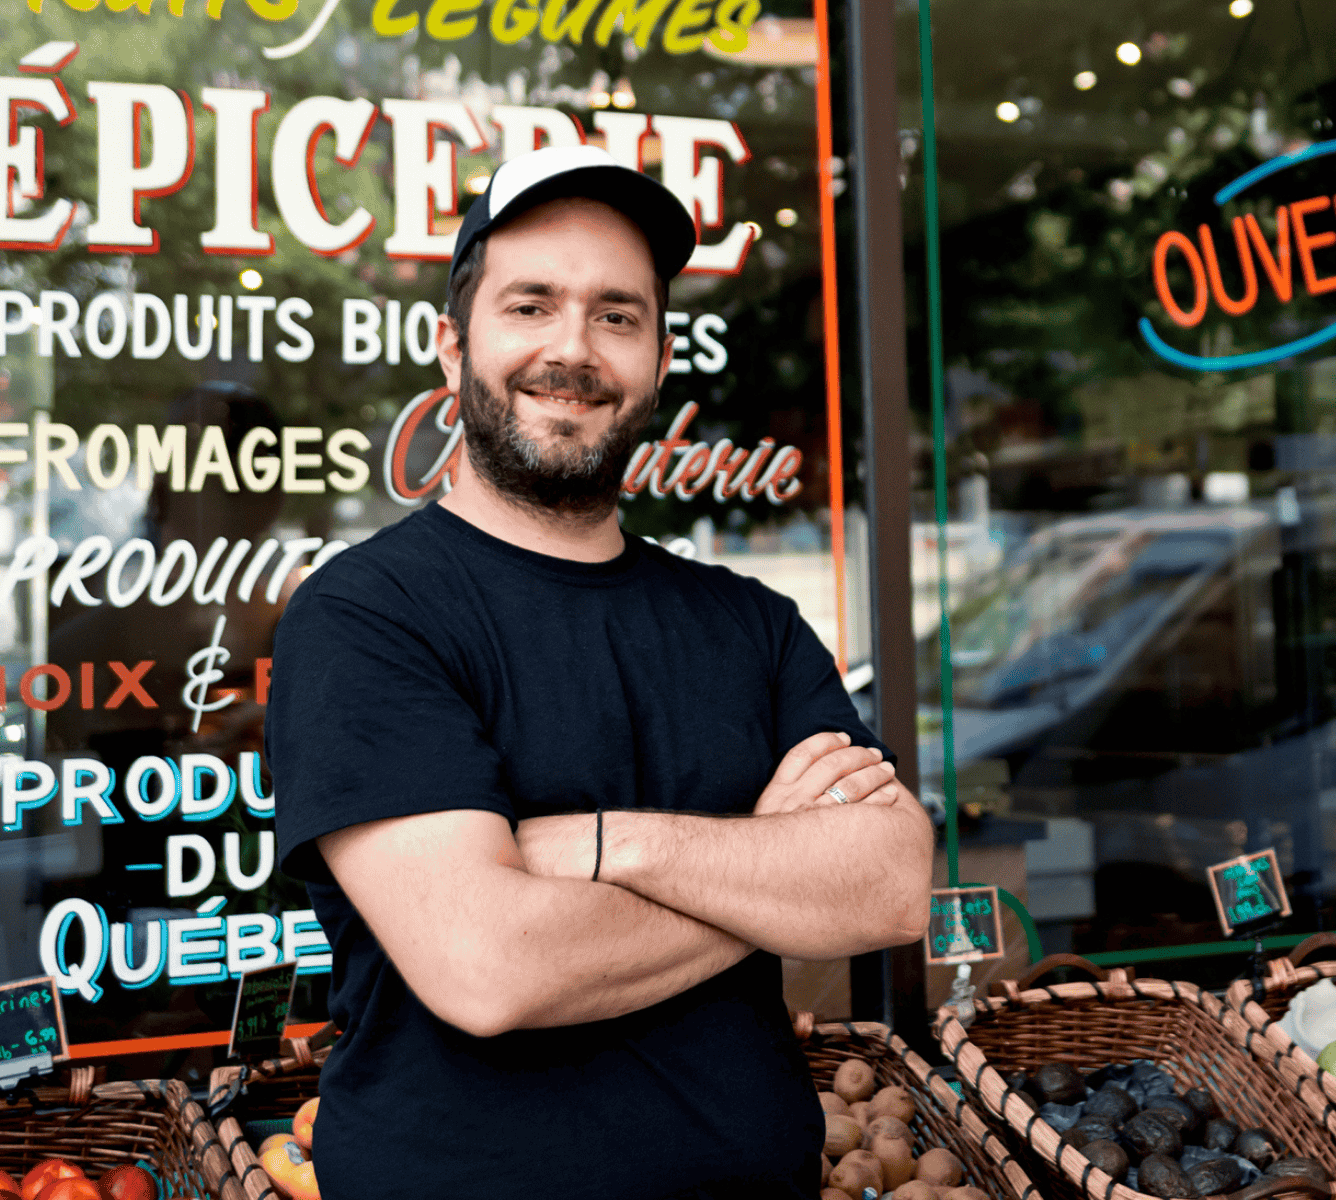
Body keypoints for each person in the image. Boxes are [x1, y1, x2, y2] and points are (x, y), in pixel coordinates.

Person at [266, 144, 932, 1199]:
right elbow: (489, 968)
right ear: (451, 350)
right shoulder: (366, 617)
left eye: (616, 315)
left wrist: (609, 846)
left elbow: (891, 885)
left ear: (659, 361)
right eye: (529, 306)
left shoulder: (749, 626)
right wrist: (770, 866)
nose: (571, 349)